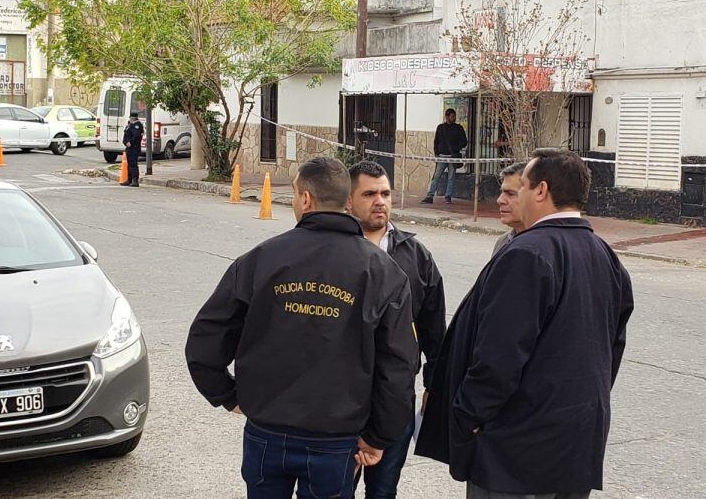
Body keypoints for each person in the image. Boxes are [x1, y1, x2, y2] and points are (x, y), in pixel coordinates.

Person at [185, 157, 418, 499]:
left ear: (306, 199)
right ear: (347, 201)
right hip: (335, 439)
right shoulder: (383, 272)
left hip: (268, 432)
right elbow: (399, 366)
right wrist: (378, 436)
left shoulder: (261, 260)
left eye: (294, 193)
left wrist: (228, 395)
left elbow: (206, 338)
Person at [416, 148, 634, 499]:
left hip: (516, 452)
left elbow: (498, 357)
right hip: (575, 440)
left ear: (542, 191)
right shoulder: (602, 252)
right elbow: (612, 348)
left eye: (522, 187)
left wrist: (467, 416)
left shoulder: (527, 253)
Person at [347, 161, 447, 499]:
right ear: (348, 200)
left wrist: (433, 387)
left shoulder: (416, 256)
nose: (380, 201)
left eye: (386, 194)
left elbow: (435, 332)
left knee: (383, 492)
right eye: (370, 194)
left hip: (394, 402)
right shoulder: (334, 251)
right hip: (340, 402)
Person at [421, 108, 468, 205]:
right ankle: (430, 196)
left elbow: (464, 142)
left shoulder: (458, 128)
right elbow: (436, 141)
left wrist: (455, 149)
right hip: (442, 156)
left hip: (452, 156)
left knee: (451, 177)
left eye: (454, 116)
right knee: (436, 176)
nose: (454, 118)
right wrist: (436, 153)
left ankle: (448, 196)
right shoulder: (441, 128)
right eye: (452, 116)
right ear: (447, 117)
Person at [491, 161, 527, 256]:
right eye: (502, 192)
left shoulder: (548, 247)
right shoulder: (503, 241)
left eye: (511, 194)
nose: (500, 200)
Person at [121, 112, 144, 187]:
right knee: (129, 164)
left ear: (133, 118)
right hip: (129, 147)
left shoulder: (137, 125)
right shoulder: (130, 125)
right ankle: (129, 179)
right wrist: (125, 142)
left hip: (134, 147)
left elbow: (136, 136)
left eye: (130, 118)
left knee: (133, 164)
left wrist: (130, 142)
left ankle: (135, 180)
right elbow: (126, 134)